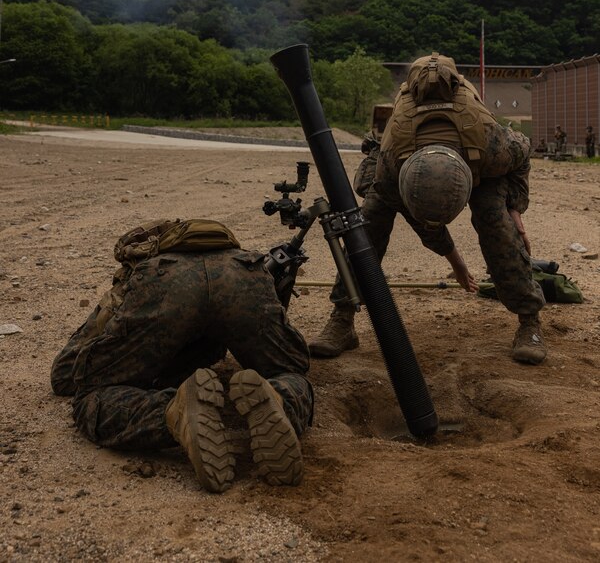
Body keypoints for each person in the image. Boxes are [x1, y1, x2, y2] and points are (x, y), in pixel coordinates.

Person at [309, 52, 546, 366]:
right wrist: (455, 259)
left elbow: (524, 152)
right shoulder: (390, 165)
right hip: (406, 164)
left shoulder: (494, 149)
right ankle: (342, 317)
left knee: (497, 224)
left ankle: (529, 321)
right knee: (366, 224)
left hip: (473, 159)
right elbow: (426, 223)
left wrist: (515, 205)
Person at [51, 218, 313, 493]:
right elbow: (294, 356)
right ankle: (280, 398)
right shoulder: (235, 259)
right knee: (290, 372)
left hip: (166, 284)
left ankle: (171, 413)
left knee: (90, 396)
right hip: (243, 275)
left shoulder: (146, 268)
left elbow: (64, 375)